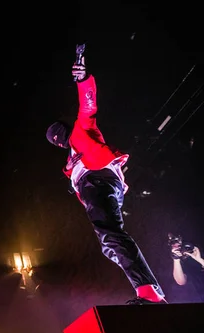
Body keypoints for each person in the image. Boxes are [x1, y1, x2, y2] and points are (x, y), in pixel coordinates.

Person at [45, 55, 166, 305]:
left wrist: (82, 80)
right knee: (110, 242)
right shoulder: (69, 161)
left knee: (111, 237)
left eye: (56, 136)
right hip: (100, 187)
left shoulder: (81, 132)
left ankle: (149, 292)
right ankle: (148, 288)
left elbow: (88, 107)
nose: (58, 141)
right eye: (54, 140)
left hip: (99, 181)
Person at [171, 237, 204, 301]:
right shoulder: (179, 263)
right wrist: (176, 259)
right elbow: (181, 281)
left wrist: (199, 259)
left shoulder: (199, 252)